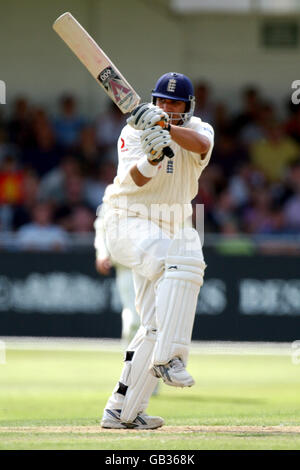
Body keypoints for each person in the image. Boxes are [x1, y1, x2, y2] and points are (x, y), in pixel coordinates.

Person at [100, 72, 214, 430]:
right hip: (126, 221)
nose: (166, 107)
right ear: (152, 99)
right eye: (161, 101)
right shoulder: (132, 129)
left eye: (175, 103)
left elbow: (199, 145)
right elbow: (136, 179)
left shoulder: (200, 128)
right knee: (184, 260)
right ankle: (172, 357)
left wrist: (166, 128)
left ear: (188, 107)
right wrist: (152, 154)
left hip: (167, 226)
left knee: (153, 323)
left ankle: (122, 410)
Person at [94, 201, 140, 343]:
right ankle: (131, 359)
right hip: (127, 266)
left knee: (157, 317)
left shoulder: (157, 188)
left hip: (157, 266)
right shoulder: (114, 193)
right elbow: (102, 227)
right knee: (134, 316)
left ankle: (159, 359)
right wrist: (102, 253)